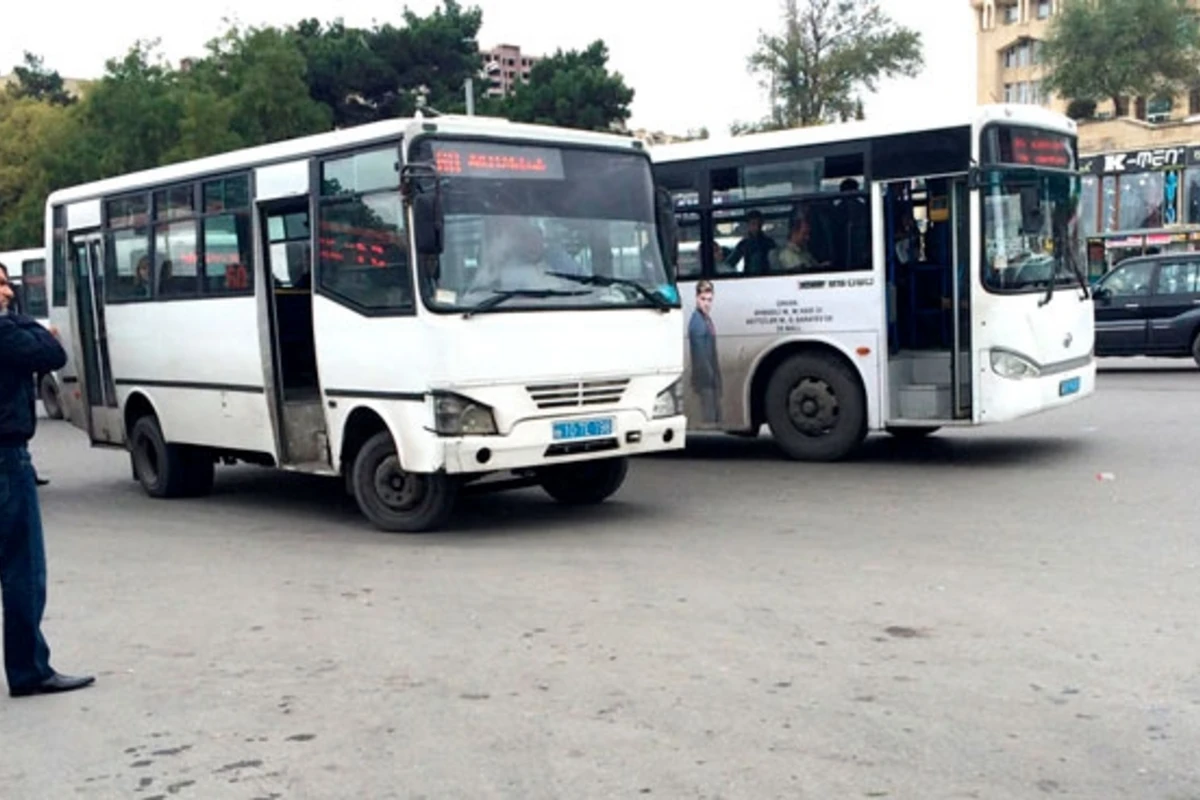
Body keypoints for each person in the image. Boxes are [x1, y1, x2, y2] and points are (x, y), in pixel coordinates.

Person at [0, 260, 94, 699]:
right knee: (23, 569)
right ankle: (29, 669)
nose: (6, 292)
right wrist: (22, 318)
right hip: (6, 457)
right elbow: (52, 352)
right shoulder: (6, 332)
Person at [687, 280, 722, 424]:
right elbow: (700, 356)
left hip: (710, 379)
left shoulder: (705, 320)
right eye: (703, 299)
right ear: (696, 298)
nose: (706, 304)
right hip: (706, 381)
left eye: (709, 300)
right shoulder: (697, 322)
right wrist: (711, 378)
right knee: (710, 418)